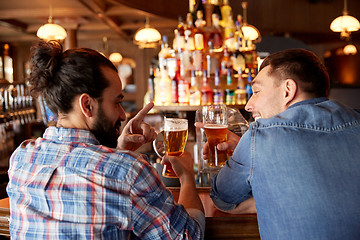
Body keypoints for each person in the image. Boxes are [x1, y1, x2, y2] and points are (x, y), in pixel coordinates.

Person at [6, 41, 204, 239]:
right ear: (87, 105)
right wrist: (186, 177)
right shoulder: (129, 172)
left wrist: (119, 153)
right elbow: (189, 235)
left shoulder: (22, 158)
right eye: (117, 102)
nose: (123, 115)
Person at [209, 49, 360, 239]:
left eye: (256, 91)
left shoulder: (259, 135)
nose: (248, 105)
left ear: (287, 90)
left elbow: (222, 198)